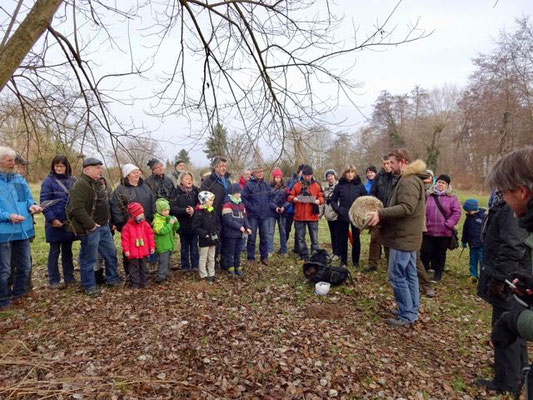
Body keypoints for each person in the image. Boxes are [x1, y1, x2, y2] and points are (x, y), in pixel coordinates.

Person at [485, 147, 533, 396]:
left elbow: (512, 245)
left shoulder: (514, 217)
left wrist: (514, 320)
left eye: (504, 192)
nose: (502, 197)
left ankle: (507, 379)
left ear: (521, 192)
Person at [476, 191, 529, 396]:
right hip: (513, 277)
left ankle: (506, 380)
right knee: (516, 324)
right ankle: (518, 370)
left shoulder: (511, 207)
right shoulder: (506, 203)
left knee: (506, 326)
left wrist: (499, 279)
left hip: (510, 279)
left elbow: (513, 246)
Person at [367, 148, 427, 327]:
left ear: (402, 162)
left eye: (392, 162)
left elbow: (406, 208)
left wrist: (381, 213)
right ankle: (410, 309)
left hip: (403, 237)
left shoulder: (408, 181)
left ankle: (407, 314)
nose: (390, 166)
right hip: (408, 237)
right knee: (409, 274)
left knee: (396, 275)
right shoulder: (411, 179)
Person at [66, 157, 121, 296]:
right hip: (91, 229)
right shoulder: (80, 185)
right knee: (89, 259)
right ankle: (89, 285)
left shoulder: (97, 183)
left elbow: (105, 203)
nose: (100, 170)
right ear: (87, 169)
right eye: (97, 167)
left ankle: (112, 279)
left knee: (111, 254)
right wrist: (90, 224)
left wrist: (110, 222)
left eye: (100, 167)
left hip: (104, 227)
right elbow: (76, 208)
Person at [0, 147, 42, 309]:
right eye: (9, 160)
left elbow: (28, 199)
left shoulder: (19, 180)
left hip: (22, 230)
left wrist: (32, 207)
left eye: (13, 160)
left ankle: (18, 294)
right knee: (4, 270)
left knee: (25, 267)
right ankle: (3, 300)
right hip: (3, 233)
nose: (13, 163)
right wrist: (8, 216)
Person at [39, 155, 77, 288]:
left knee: (68, 251)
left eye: (61, 166)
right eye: (56, 166)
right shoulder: (48, 182)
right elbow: (44, 202)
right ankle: (54, 280)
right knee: (54, 251)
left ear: (66, 167)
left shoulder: (73, 180)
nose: (59, 168)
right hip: (54, 222)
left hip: (68, 222)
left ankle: (69, 277)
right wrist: (52, 219)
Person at [110, 163, 155, 274]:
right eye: (133, 172)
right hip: (129, 227)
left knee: (143, 249)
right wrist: (120, 223)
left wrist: (152, 217)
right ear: (127, 175)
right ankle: (130, 274)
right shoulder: (120, 190)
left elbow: (152, 201)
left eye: (137, 171)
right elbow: (115, 207)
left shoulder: (145, 186)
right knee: (130, 251)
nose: (137, 174)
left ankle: (143, 274)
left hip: (145, 224)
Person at [421, 174, 461, 282]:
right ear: (435, 183)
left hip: (443, 232)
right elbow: (421, 209)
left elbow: (457, 213)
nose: (440, 185)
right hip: (427, 230)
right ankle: (423, 273)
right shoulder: (428, 195)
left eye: (443, 183)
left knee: (440, 254)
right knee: (425, 252)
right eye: (439, 182)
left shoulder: (451, 198)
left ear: (447, 186)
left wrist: (448, 224)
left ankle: (438, 274)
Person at [330, 164, 366, 268]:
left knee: (356, 239)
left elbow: (365, 200)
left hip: (355, 216)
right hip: (343, 215)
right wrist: (338, 210)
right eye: (347, 172)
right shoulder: (340, 185)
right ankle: (344, 261)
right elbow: (333, 200)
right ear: (344, 174)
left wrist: (360, 213)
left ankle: (355, 261)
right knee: (343, 239)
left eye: (352, 172)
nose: (350, 175)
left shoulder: (359, 185)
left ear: (354, 173)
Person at [288, 165, 324, 261]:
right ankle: (304, 255)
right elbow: (290, 196)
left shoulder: (316, 185)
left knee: (314, 238)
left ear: (312, 175)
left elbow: (321, 197)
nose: (307, 177)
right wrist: (294, 199)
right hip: (299, 216)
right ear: (302, 174)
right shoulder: (296, 184)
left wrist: (319, 201)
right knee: (300, 238)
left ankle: (315, 255)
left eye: (309, 175)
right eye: (305, 175)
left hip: (312, 216)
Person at [201, 156, 231, 268]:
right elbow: (202, 197)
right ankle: (213, 263)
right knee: (215, 239)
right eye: (221, 166)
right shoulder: (208, 181)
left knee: (226, 238)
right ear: (215, 167)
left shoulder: (228, 181)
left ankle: (225, 261)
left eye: (225, 166)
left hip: (227, 214)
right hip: (213, 214)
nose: (224, 168)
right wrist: (209, 211)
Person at [242, 166, 272, 265]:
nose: (260, 173)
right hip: (252, 216)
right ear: (253, 173)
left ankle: (264, 257)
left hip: (264, 215)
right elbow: (244, 199)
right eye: (257, 172)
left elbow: (271, 197)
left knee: (264, 237)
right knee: (252, 237)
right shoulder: (248, 185)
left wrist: (268, 207)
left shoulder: (266, 185)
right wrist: (252, 207)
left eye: (261, 171)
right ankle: (251, 258)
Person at [170, 171, 200, 271]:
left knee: (194, 246)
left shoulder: (197, 191)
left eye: (190, 179)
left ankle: (195, 265)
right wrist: (184, 211)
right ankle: (185, 266)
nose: (189, 180)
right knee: (184, 247)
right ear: (181, 181)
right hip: (182, 224)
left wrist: (194, 210)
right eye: (186, 178)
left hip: (194, 223)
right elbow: (172, 207)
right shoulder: (175, 192)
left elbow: (201, 205)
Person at [121, 202, 155, 289]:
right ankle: (134, 284)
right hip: (133, 253)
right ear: (133, 215)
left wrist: (151, 246)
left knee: (144, 268)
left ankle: (145, 282)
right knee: (134, 269)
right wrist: (126, 250)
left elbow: (150, 236)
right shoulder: (127, 227)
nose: (142, 215)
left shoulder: (145, 225)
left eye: (142, 213)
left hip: (144, 251)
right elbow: (125, 240)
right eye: (139, 214)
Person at [221, 183, 251, 276]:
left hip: (240, 234)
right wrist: (239, 227)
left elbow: (245, 217)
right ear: (232, 193)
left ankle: (237, 266)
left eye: (240, 193)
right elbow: (227, 219)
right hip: (230, 234)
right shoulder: (227, 205)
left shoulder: (241, 204)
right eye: (237, 193)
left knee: (238, 250)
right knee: (230, 251)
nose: (239, 195)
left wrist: (248, 227)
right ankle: (230, 267)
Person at [192, 191, 220, 283]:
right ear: (204, 201)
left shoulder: (212, 211)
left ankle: (211, 274)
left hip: (213, 238)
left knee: (211, 257)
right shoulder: (199, 213)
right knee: (203, 257)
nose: (212, 202)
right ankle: (203, 274)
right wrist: (204, 234)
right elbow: (195, 227)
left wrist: (217, 232)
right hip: (204, 239)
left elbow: (217, 223)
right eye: (210, 200)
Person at [152, 198, 180, 284]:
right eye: (164, 210)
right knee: (163, 262)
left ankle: (166, 275)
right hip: (162, 246)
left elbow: (176, 228)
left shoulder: (167, 218)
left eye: (168, 210)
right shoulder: (157, 221)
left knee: (167, 261)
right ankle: (161, 277)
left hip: (169, 244)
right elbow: (162, 231)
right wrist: (170, 223)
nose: (167, 212)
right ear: (159, 210)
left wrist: (175, 222)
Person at [461, 198, 486, 282]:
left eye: (469, 210)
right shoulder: (468, 218)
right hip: (472, 244)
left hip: (481, 245)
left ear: (474, 209)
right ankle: (473, 275)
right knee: (472, 260)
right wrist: (464, 241)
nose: (467, 212)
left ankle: (483, 276)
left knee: (482, 260)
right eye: (466, 211)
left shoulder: (483, 217)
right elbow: (465, 231)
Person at [269, 168, 288, 256]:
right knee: (271, 232)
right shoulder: (269, 187)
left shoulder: (285, 188)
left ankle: (284, 250)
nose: (278, 179)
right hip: (272, 213)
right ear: (273, 178)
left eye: (279, 177)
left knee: (283, 231)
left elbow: (289, 200)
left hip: (283, 213)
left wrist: (284, 207)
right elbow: (268, 200)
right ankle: (269, 250)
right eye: (276, 177)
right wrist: (275, 207)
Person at [285, 165, 304, 254]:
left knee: (298, 230)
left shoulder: (306, 182)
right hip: (289, 209)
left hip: (299, 210)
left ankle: (297, 248)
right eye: (301, 171)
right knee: (286, 229)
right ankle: (283, 246)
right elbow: (287, 191)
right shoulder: (291, 181)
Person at [322, 169, 340, 260]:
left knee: (337, 234)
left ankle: (338, 253)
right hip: (329, 215)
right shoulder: (326, 188)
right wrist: (322, 213)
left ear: (334, 176)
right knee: (332, 234)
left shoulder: (339, 187)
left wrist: (338, 212)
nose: (329, 177)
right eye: (328, 176)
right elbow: (323, 202)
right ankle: (334, 251)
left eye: (331, 175)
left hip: (337, 215)